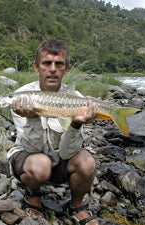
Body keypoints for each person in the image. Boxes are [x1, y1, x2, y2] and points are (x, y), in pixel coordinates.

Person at [7, 39, 98, 225]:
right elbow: (30, 148)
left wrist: (75, 125)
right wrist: (33, 118)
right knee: (40, 165)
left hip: (60, 157)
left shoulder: (77, 99)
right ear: (36, 67)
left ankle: (76, 205)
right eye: (47, 63)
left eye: (59, 64)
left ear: (66, 68)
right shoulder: (21, 98)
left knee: (87, 163)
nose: (53, 69)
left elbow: (67, 153)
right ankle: (33, 194)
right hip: (32, 157)